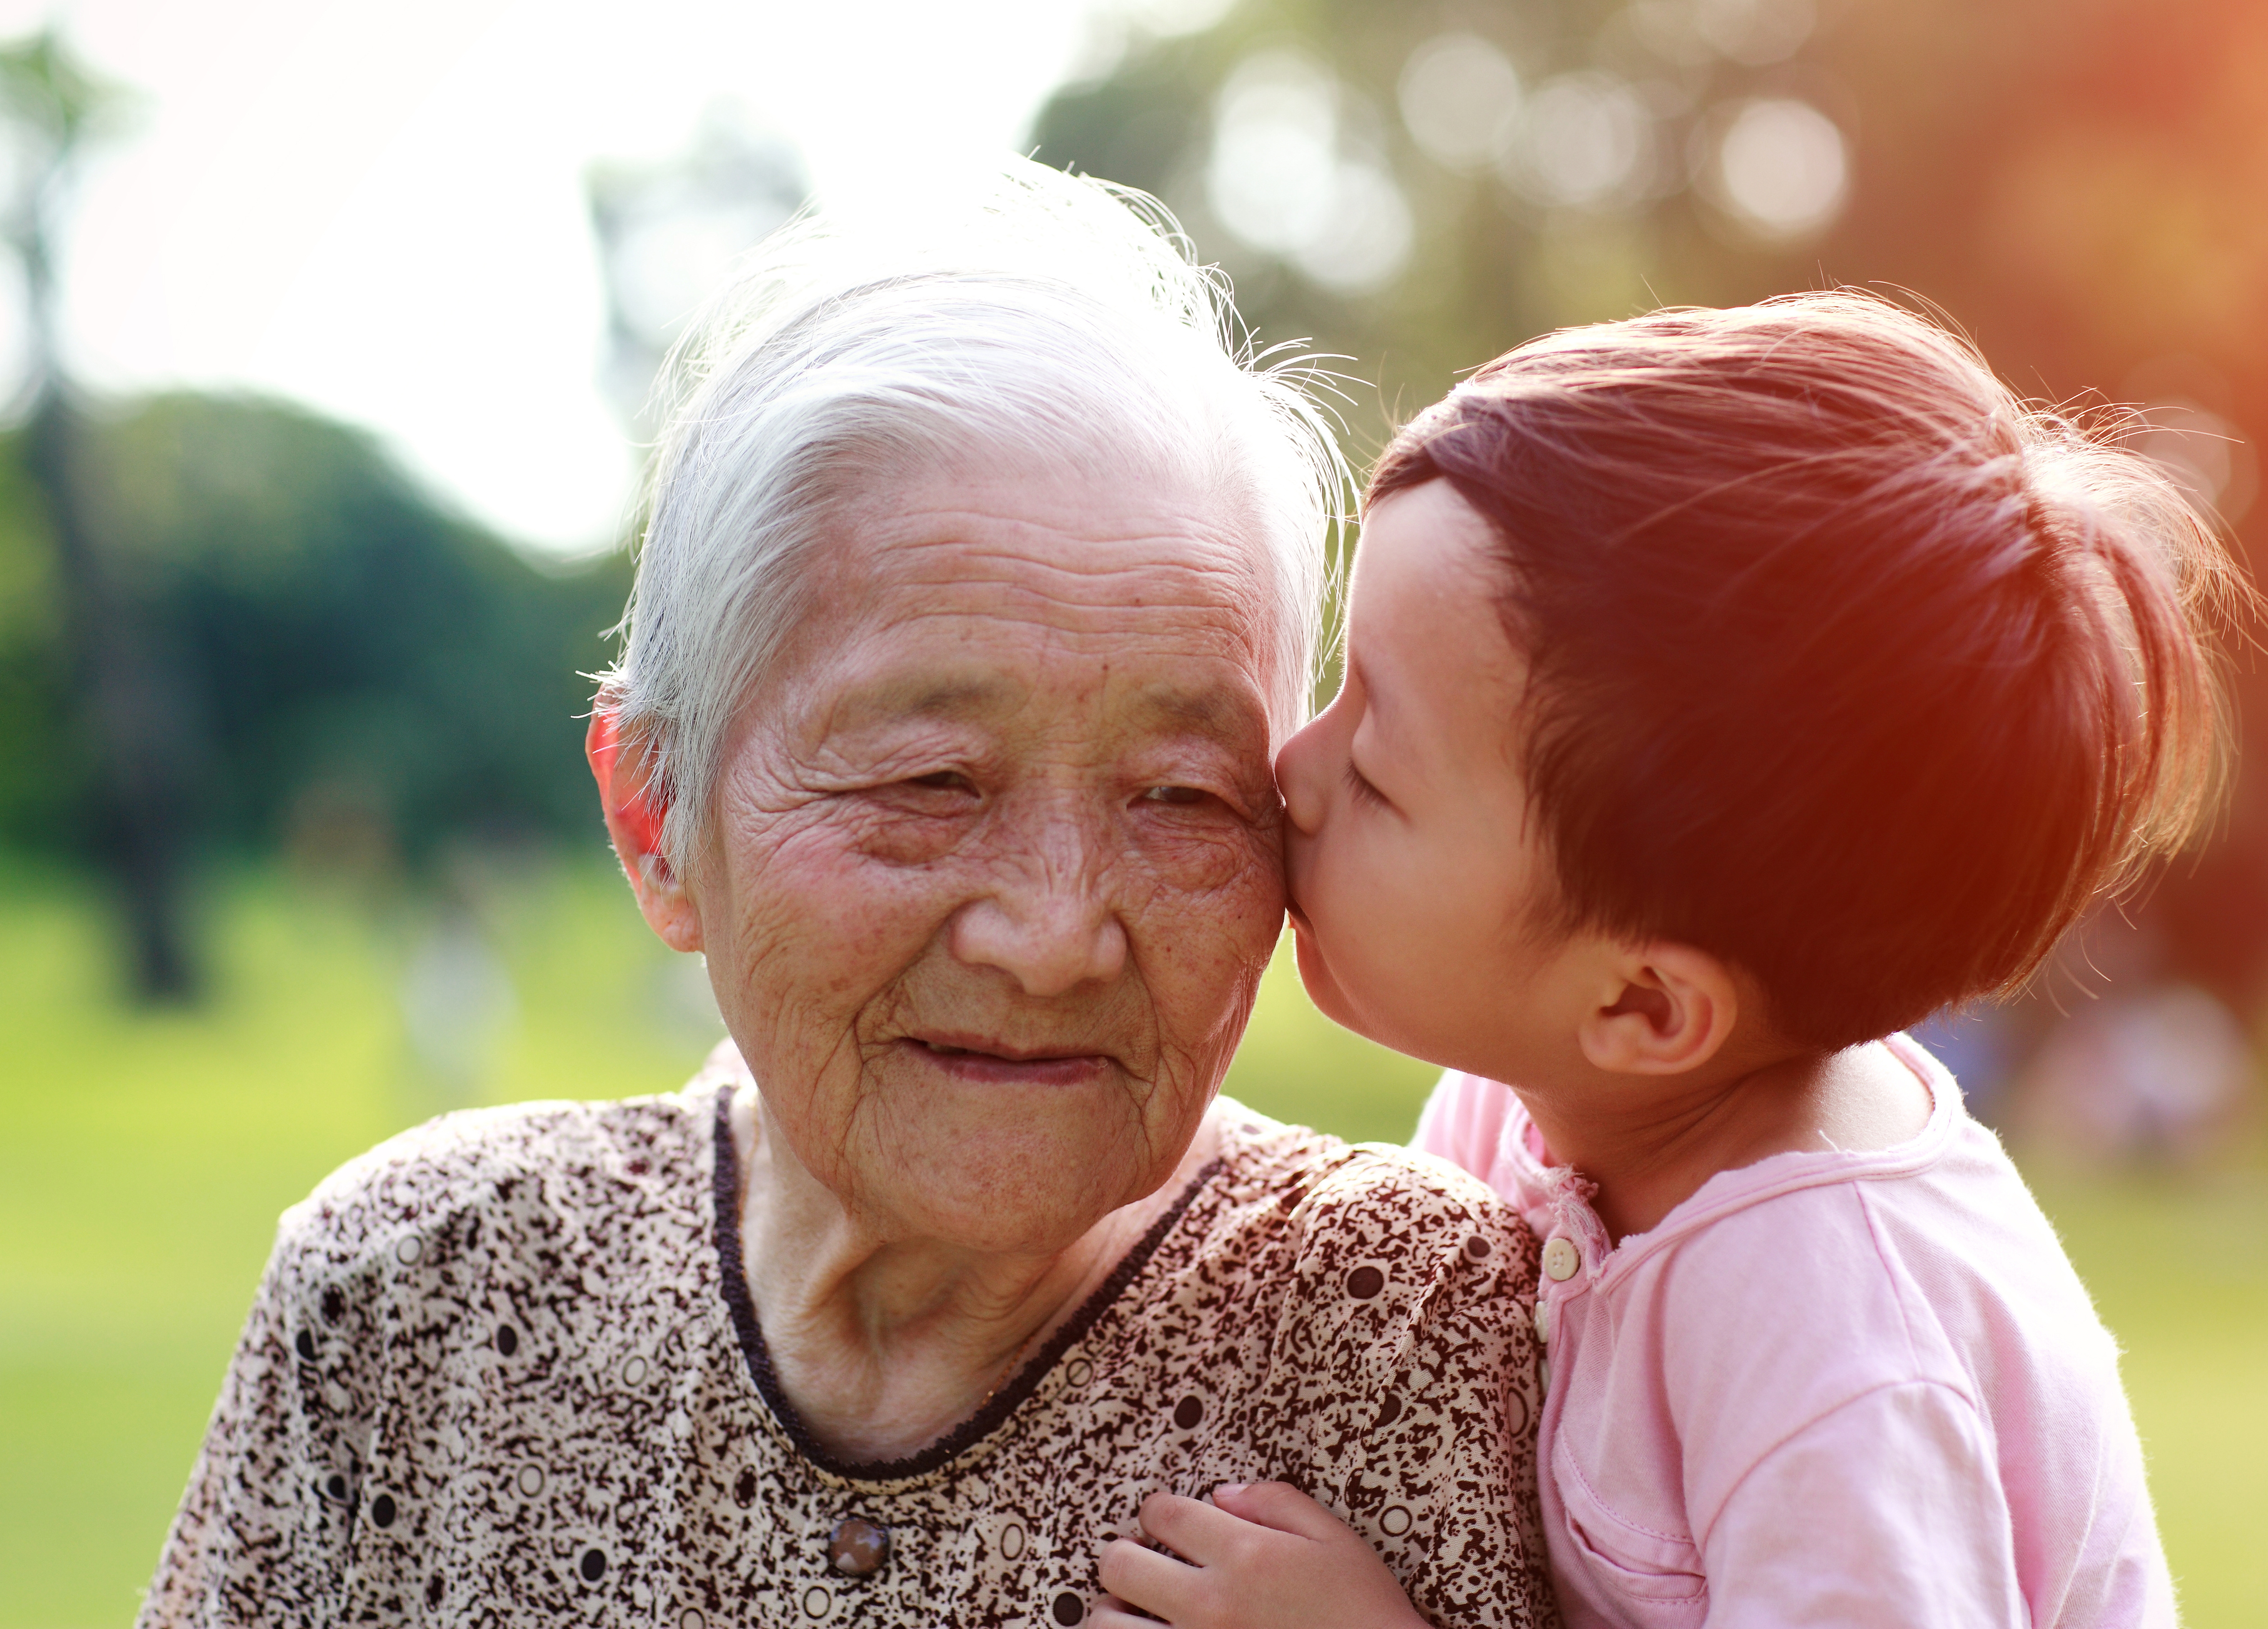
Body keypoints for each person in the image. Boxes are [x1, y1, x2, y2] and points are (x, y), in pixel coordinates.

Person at [140, 162, 1558, 1629]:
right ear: (654, 817)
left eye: (1181, 794)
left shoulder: (1412, 1321)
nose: (1056, 930)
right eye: (931, 782)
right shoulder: (411, 1288)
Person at [1092, 294, 2239, 1628]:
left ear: (1641, 1000)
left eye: (1380, 770)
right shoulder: (1531, 1095)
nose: (1293, 766)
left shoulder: (1834, 1345)